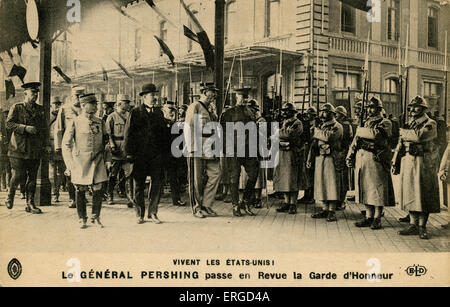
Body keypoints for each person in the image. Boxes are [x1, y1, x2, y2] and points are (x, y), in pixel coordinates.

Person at [395, 96, 440, 239]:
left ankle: (422, 226)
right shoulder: (409, 123)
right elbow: (400, 143)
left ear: (423, 109)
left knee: (423, 194)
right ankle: (413, 224)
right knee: (410, 193)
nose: (413, 109)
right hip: (408, 160)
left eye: (416, 107)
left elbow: (419, 137)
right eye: (411, 107)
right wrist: (395, 160)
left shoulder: (430, 123)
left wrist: (405, 133)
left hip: (424, 162)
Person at [347, 96, 394, 230]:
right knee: (365, 188)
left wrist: (360, 130)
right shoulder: (366, 122)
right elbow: (356, 140)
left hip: (376, 158)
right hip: (362, 156)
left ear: (379, 108)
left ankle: (378, 218)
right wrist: (350, 154)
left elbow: (376, 135)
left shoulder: (385, 122)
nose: (369, 109)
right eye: (368, 107)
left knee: (377, 188)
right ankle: (368, 216)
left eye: (372, 107)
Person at [62, 93, 108, 229]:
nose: (95, 106)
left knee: (98, 188)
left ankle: (96, 216)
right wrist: (70, 164)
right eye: (92, 104)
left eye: (96, 104)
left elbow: (106, 142)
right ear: (83, 105)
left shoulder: (100, 121)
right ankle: (82, 218)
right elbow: (66, 144)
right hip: (80, 161)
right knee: (80, 188)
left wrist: (108, 159)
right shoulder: (75, 122)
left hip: (98, 159)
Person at [124, 83, 167, 224]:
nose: (155, 97)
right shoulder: (135, 113)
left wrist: (164, 154)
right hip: (139, 156)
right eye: (151, 95)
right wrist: (129, 154)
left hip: (156, 156)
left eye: (155, 95)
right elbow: (128, 134)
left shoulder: (159, 113)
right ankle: (139, 214)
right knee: (139, 186)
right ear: (143, 97)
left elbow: (163, 135)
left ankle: (153, 212)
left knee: (157, 184)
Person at [5, 82, 47, 214]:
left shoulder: (40, 109)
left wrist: (46, 145)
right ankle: (10, 196)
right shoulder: (17, 107)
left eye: (36, 93)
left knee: (32, 177)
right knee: (18, 174)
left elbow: (44, 129)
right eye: (32, 92)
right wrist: (24, 128)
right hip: (18, 148)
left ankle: (30, 203)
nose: (35, 95)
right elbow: (9, 124)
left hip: (34, 149)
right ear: (25, 93)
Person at [185, 83, 221, 218]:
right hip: (197, 146)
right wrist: (192, 148)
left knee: (216, 173)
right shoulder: (195, 106)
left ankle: (206, 204)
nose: (214, 95)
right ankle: (196, 208)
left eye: (215, 93)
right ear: (204, 92)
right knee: (196, 179)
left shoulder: (211, 109)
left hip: (210, 146)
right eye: (212, 92)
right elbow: (189, 127)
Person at [308, 103, 343, 222]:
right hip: (320, 156)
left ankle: (332, 211)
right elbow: (314, 142)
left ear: (332, 114)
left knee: (331, 184)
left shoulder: (337, 126)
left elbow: (329, 137)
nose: (322, 114)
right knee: (321, 183)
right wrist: (310, 158)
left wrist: (317, 132)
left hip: (331, 157)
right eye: (321, 111)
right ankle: (324, 209)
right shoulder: (322, 126)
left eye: (325, 112)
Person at [55, 85, 85, 208]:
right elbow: (58, 128)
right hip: (70, 146)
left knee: (83, 171)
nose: (78, 98)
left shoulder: (85, 109)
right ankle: (72, 198)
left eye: (81, 96)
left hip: (83, 146)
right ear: (72, 96)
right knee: (70, 172)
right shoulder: (65, 109)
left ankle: (81, 196)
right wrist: (58, 146)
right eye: (76, 96)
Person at [274, 103, 303, 215]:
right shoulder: (285, 123)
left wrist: (277, 133)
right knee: (284, 177)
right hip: (282, 152)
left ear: (292, 112)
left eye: (287, 111)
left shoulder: (297, 123)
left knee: (292, 178)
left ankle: (293, 204)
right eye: (283, 110)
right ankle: (287, 202)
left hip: (292, 153)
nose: (284, 112)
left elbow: (289, 134)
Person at [105, 94, 132, 207]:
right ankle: (109, 194)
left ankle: (130, 197)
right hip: (116, 148)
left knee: (128, 174)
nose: (128, 105)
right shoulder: (111, 117)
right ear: (120, 103)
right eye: (126, 103)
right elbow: (108, 133)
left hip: (126, 148)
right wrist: (112, 146)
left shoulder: (129, 116)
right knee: (113, 174)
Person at [163, 101, 186, 207]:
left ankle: (176, 199)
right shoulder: (160, 123)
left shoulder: (177, 125)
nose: (172, 112)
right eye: (169, 109)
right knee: (158, 177)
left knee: (174, 177)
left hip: (173, 155)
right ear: (164, 110)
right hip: (161, 155)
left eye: (173, 110)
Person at [335, 106, 354, 209]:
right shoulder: (335, 124)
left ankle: (342, 200)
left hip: (343, 152)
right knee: (337, 178)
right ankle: (337, 199)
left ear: (342, 115)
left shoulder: (346, 126)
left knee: (343, 179)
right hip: (336, 153)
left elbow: (348, 139)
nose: (335, 116)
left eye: (337, 114)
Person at [297, 106, 316, 204]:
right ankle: (306, 194)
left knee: (311, 173)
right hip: (306, 148)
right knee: (305, 173)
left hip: (313, 149)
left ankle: (312, 196)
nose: (307, 116)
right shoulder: (306, 124)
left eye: (309, 114)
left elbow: (313, 137)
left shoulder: (317, 124)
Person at [49, 96, 66, 203]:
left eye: (59, 104)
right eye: (55, 104)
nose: (57, 106)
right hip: (51, 145)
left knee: (64, 170)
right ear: (51, 105)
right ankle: (55, 193)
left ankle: (68, 191)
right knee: (52, 172)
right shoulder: (49, 117)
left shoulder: (63, 116)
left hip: (63, 145)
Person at [0, 108, 11, 192]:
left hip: (5, 148)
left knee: (7, 168)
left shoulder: (6, 126)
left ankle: (7, 185)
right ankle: (3, 185)